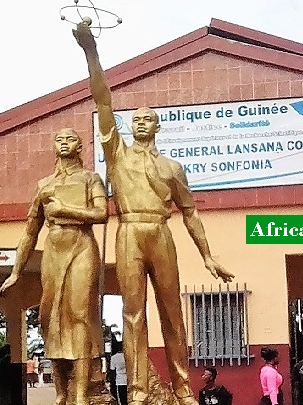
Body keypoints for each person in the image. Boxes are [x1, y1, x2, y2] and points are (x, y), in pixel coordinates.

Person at [73, 23, 234, 405]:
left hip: (160, 233)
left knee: (172, 312)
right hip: (129, 230)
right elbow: (103, 101)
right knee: (133, 314)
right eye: (138, 118)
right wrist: (91, 52)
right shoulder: (118, 154)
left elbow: (191, 214)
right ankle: (140, 391)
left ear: (158, 127)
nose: (142, 121)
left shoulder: (172, 169)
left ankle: (182, 387)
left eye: (149, 118)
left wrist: (208, 256)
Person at [0, 128, 108, 405]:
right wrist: (15, 271)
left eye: (70, 139)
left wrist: (65, 211)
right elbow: (30, 232)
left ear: (80, 146)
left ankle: (81, 394)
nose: (64, 143)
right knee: (51, 318)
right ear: (54, 147)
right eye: (59, 139)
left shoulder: (90, 178)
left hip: (82, 245)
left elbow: (101, 213)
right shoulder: (44, 184)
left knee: (80, 313)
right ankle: (61, 392)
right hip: (54, 250)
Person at [109, 339, 128, 405]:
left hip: (119, 381)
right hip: (128, 380)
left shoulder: (114, 357)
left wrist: (112, 382)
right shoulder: (127, 356)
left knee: (121, 400)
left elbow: (112, 370)